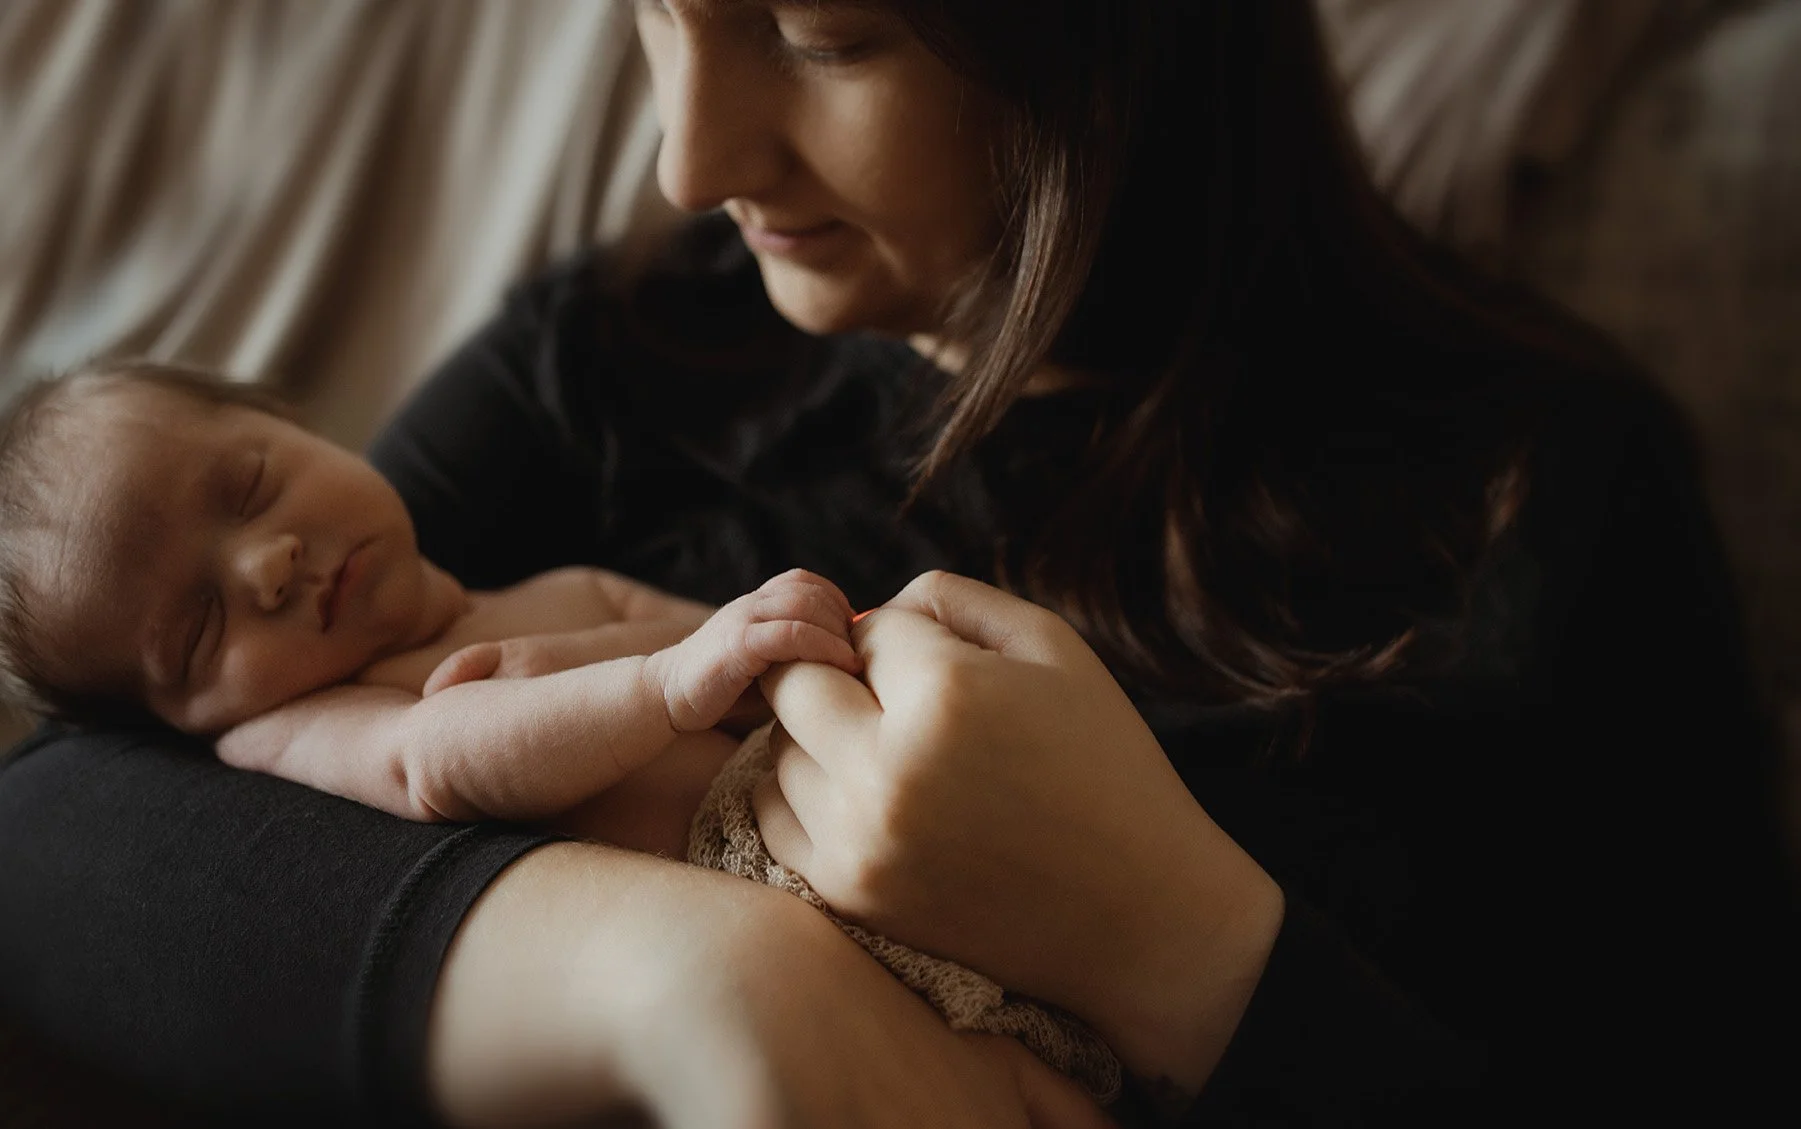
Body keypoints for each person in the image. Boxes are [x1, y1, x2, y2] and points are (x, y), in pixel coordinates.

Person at [1, 2, 1795, 1127]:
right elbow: (77, 819)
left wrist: (1174, 939)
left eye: (825, 33)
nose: (687, 154)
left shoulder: (1533, 489)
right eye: (651, 12)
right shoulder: (617, 358)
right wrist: (709, 986)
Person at [0, 361, 858, 857]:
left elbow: (734, 655)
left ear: (297, 423)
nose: (266, 567)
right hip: (751, 880)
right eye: (200, 628)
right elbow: (436, 761)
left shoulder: (558, 591)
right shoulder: (304, 724)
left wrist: (746, 644)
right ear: (169, 726)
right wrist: (661, 684)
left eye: (250, 486)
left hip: (843, 806)